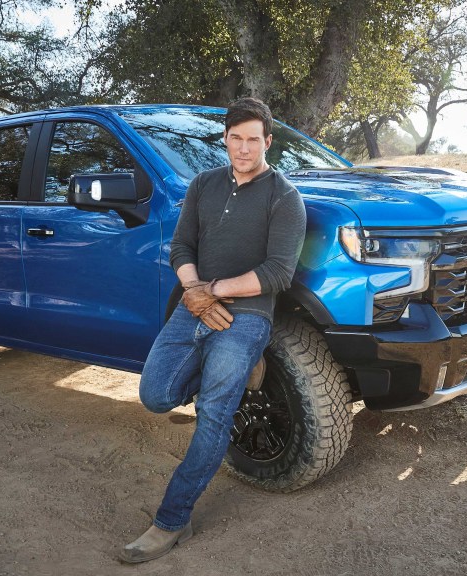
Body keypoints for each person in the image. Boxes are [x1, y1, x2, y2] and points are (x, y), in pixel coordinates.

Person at [120, 97, 307, 563]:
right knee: (156, 395)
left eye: (253, 140)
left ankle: (171, 521)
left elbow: (279, 271)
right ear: (225, 139)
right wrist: (194, 291)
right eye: (235, 138)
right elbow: (181, 246)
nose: (244, 148)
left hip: (247, 316)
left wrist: (215, 291)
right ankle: (249, 366)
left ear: (268, 142)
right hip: (193, 306)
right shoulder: (203, 185)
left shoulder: (284, 196)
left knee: (214, 414)